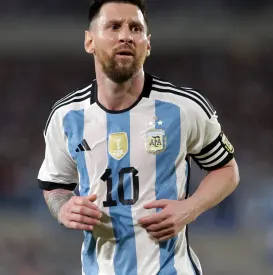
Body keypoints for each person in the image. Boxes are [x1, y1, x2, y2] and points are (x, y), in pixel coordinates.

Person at [37, 0, 240, 274]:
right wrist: (63, 209)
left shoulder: (184, 108)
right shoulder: (66, 117)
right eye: (113, 26)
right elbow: (55, 186)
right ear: (90, 41)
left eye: (135, 28)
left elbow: (227, 170)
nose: (125, 36)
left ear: (147, 43)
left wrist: (190, 208)